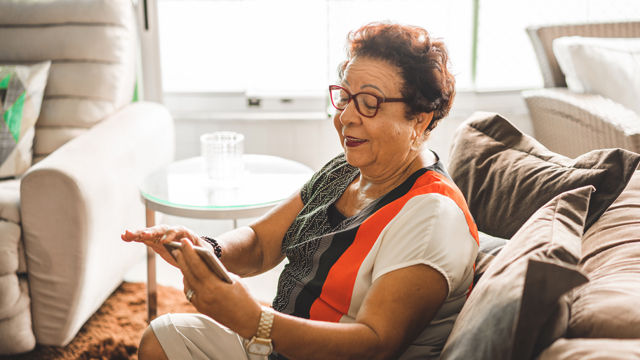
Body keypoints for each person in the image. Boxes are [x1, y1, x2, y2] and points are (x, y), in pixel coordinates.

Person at [122, 21, 479, 360]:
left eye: (369, 103)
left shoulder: (431, 215)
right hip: (283, 343)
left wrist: (253, 321)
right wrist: (206, 250)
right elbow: (262, 244)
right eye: (345, 97)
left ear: (420, 119)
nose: (346, 118)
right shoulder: (347, 168)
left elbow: (376, 345)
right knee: (162, 337)